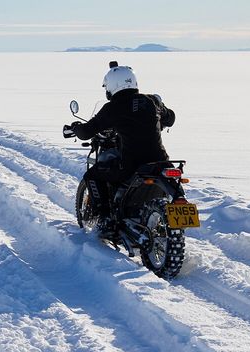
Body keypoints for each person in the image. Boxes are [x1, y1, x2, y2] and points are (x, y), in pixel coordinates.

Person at [63, 61, 176, 232]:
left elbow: (87, 132)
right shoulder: (151, 101)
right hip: (161, 164)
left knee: (93, 175)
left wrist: (75, 127)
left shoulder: (113, 107)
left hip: (131, 167)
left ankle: (105, 219)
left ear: (113, 85)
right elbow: (171, 118)